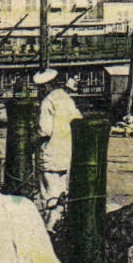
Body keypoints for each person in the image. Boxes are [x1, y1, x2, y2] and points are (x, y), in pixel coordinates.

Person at [35, 68, 82, 231]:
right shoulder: (66, 99)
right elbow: (78, 121)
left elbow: (44, 130)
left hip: (50, 155)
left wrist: (32, 140)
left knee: (50, 195)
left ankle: (50, 229)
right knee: (63, 192)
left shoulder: (47, 102)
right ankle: (61, 225)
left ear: (46, 86)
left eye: (41, 88)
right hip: (67, 153)